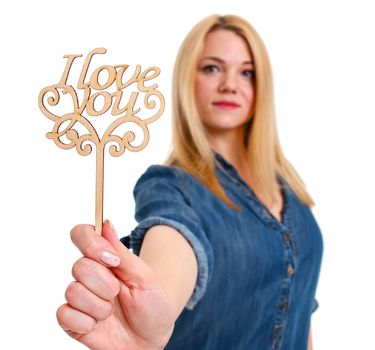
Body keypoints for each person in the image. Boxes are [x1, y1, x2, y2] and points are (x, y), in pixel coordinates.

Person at [56, 14, 323, 350]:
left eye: (247, 72)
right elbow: (172, 249)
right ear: (188, 78)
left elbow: (299, 312)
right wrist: (155, 313)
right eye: (212, 68)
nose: (230, 84)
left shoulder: (291, 194)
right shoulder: (172, 188)